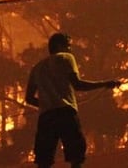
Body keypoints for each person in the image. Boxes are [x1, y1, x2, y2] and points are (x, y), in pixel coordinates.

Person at [25, 33, 122, 168]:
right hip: (65, 113)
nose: (70, 49)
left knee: (44, 160)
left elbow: (29, 98)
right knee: (76, 156)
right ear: (60, 45)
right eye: (68, 46)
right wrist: (105, 84)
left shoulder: (37, 68)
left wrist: (47, 104)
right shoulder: (66, 58)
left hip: (45, 117)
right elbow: (78, 85)